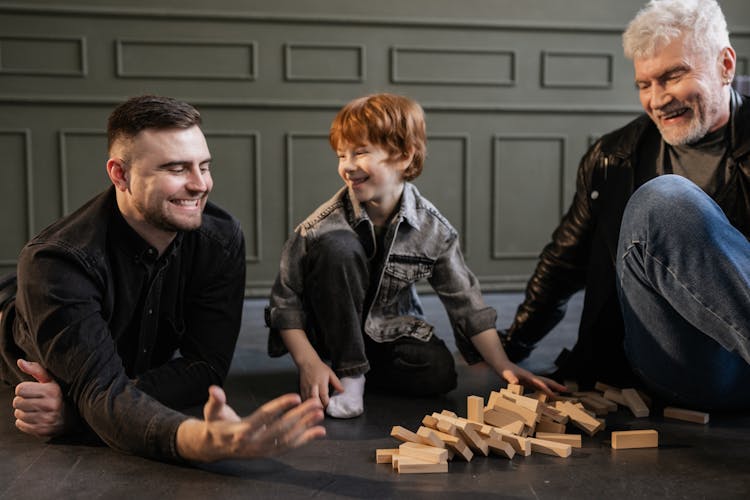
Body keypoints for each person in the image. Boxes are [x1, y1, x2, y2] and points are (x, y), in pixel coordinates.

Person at [0, 95, 325, 463]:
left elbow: (205, 367)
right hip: (22, 322)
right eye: (176, 169)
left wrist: (80, 410)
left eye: (204, 166)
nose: (200, 184)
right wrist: (198, 440)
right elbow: (101, 389)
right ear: (120, 174)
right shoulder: (57, 262)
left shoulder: (219, 238)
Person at [502, 0, 750, 410]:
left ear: (726, 66)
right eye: (644, 84)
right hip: (684, 365)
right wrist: (510, 348)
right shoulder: (613, 156)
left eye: (673, 76)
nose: (657, 100)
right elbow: (566, 260)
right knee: (664, 201)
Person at [265, 93, 565, 419]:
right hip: (326, 337)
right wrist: (307, 362)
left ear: (404, 156)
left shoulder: (433, 229)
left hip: (384, 333)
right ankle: (347, 375)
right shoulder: (319, 227)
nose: (348, 166)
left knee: (438, 373)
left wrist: (503, 363)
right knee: (340, 246)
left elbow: (466, 304)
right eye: (341, 155)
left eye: (361, 152)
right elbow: (285, 304)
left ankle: (354, 372)